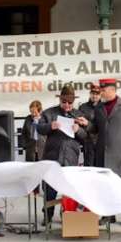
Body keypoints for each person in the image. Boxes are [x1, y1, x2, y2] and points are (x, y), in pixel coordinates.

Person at [77, 78, 121, 225]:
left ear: (112, 90)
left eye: (103, 90)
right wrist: (86, 124)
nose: (101, 93)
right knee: (105, 186)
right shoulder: (99, 107)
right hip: (102, 153)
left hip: (120, 153)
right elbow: (96, 129)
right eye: (100, 90)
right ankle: (108, 215)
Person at [37, 85, 87, 226]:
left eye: (69, 102)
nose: (66, 105)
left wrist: (78, 131)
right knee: (50, 188)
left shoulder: (78, 115)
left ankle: (66, 213)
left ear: (73, 102)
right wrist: (49, 127)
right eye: (64, 102)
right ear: (60, 100)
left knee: (69, 188)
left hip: (70, 157)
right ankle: (48, 215)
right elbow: (39, 128)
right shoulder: (49, 113)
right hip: (52, 155)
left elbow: (86, 137)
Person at [20, 100, 46, 194]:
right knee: (32, 171)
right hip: (31, 149)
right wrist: (24, 145)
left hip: (42, 149)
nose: (33, 114)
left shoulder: (45, 118)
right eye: (31, 111)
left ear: (40, 111)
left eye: (35, 112)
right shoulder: (28, 119)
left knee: (43, 171)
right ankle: (34, 190)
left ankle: (45, 190)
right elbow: (23, 133)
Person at [78, 84, 101, 167]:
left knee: (100, 166)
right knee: (89, 166)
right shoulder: (83, 107)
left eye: (97, 94)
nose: (94, 96)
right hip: (88, 141)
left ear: (100, 94)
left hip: (100, 141)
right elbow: (79, 125)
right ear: (90, 94)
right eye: (93, 93)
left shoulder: (104, 107)